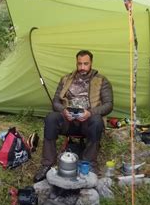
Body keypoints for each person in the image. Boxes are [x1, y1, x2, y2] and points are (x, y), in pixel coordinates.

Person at [33, 50, 113, 183]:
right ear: (76, 63)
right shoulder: (66, 79)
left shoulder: (101, 81)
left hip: (87, 121)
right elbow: (55, 103)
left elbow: (109, 105)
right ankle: (47, 164)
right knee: (51, 118)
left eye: (85, 64)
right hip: (68, 121)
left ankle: (89, 164)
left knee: (97, 120)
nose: (82, 67)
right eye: (79, 64)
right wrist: (64, 111)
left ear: (91, 63)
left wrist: (90, 113)